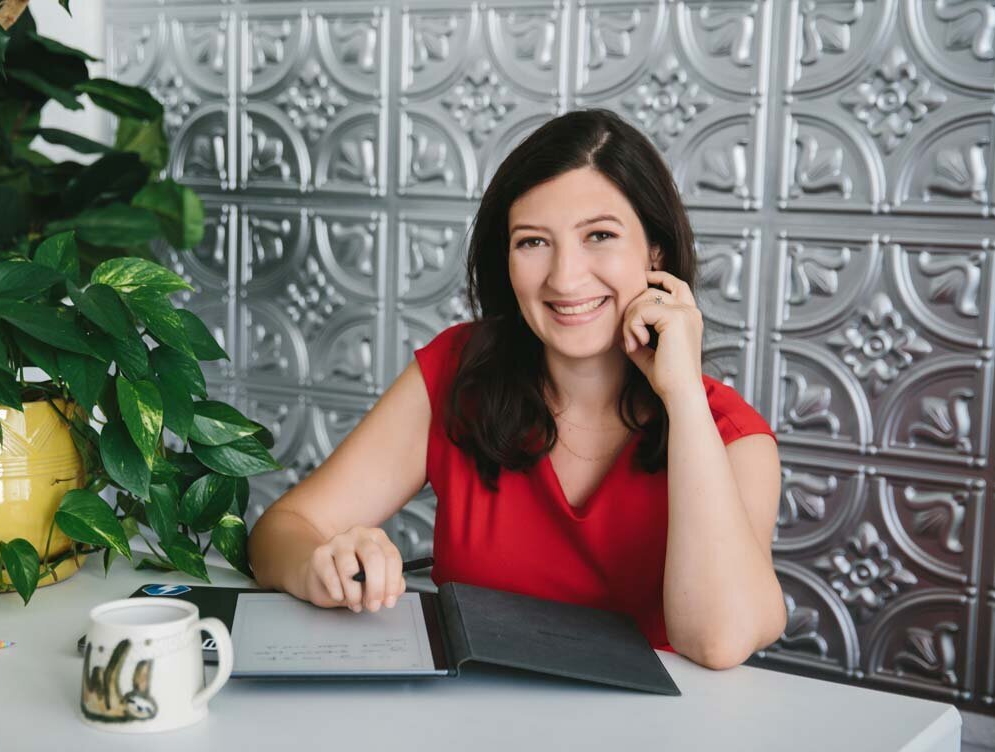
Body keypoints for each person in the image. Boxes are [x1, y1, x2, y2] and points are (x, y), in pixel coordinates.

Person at [248, 108, 786, 670]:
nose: (564, 277)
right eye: (533, 242)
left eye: (599, 235)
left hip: (651, 747)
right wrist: (320, 565)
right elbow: (281, 532)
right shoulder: (459, 371)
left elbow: (718, 641)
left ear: (655, 252)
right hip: (472, 732)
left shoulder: (731, 436)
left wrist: (682, 394)